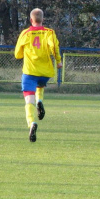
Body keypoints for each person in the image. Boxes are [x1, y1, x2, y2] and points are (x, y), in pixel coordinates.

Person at [14, 8, 62, 142]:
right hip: (45, 73)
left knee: (28, 100)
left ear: (31, 20)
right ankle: (40, 101)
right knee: (40, 86)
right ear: (43, 20)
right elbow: (54, 47)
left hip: (30, 71)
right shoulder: (49, 32)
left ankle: (31, 123)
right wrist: (58, 61)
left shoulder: (25, 33)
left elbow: (17, 54)